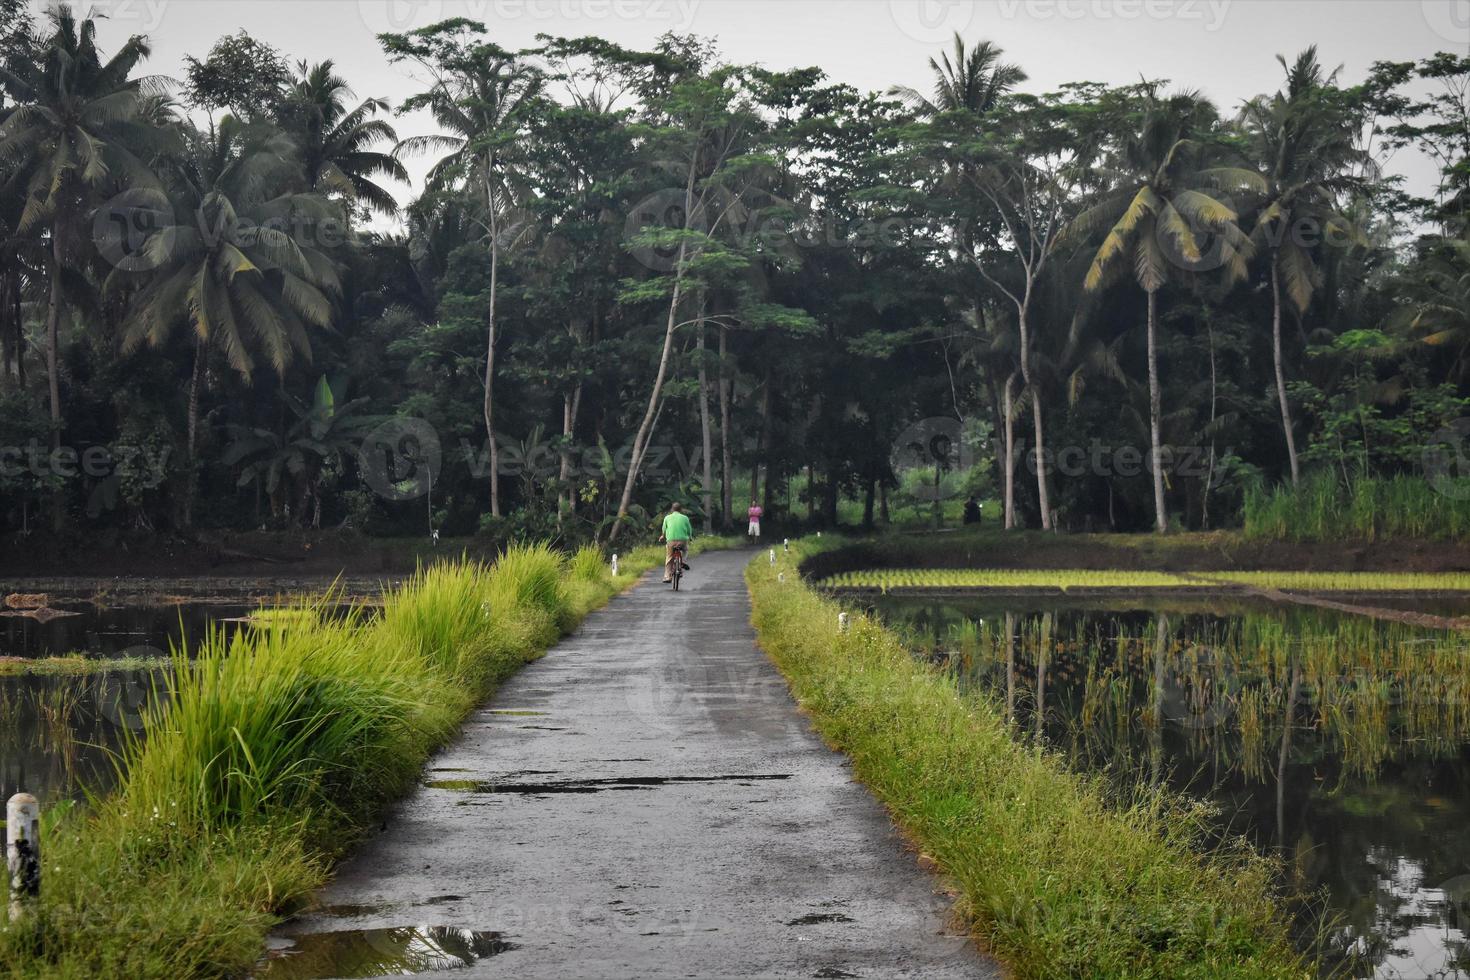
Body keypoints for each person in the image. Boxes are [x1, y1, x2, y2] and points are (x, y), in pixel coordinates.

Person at [659, 502, 694, 584]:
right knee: (685, 550)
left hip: (671, 541)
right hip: (682, 540)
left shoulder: (667, 518)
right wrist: (690, 537)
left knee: (669, 557)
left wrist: (662, 536)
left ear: (672, 509)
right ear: (681, 510)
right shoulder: (685, 518)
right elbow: (689, 530)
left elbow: (664, 529)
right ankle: (683, 562)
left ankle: (667, 576)